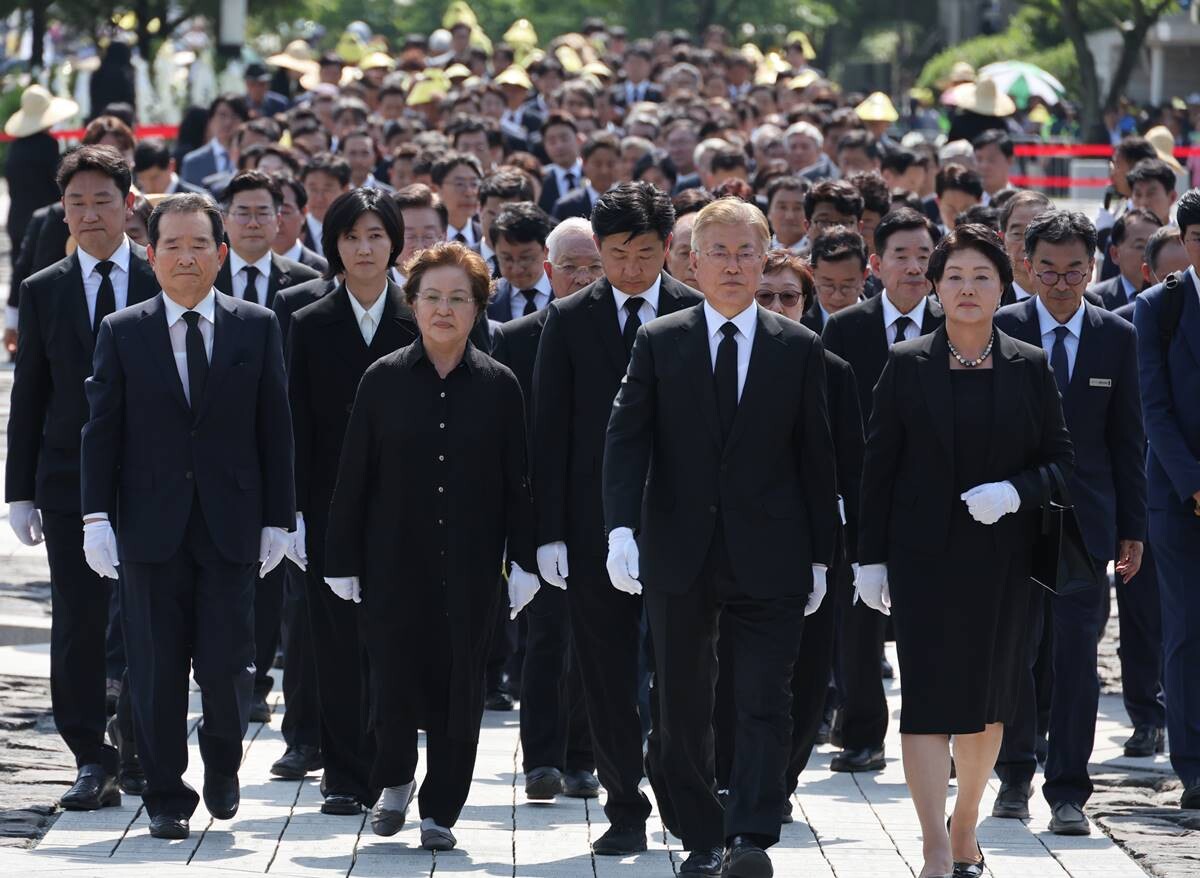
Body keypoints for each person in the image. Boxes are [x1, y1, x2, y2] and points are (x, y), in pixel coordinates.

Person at [603, 198, 837, 877]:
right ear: (691, 260)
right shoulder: (660, 339)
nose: (733, 266)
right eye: (719, 252)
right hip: (679, 549)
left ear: (764, 258)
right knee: (680, 705)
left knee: (766, 700)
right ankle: (700, 834)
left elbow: (815, 459)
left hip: (774, 552)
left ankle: (750, 836)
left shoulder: (798, 347)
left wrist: (824, 556)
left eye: (745, 252)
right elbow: (627, 440)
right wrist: (620, 528)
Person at [856, 223, 1074, 878]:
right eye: (954, 277)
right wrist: (867, 558)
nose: (968, 289)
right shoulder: (906, 363)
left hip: (1003, 560)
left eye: (982, 277)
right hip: (921, 560)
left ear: (1004, 286)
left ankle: (965, 824)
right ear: (935, 288)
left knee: (987, 701)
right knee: (926, 698)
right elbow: (878, 468)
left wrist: (1014, 491)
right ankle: (931, 845)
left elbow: (1061, 463)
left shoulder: (1029, 365)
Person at [79, 193, 295, 840]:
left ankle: (223, 764)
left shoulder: (255, 325)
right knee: (156, 668)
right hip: (149, 529)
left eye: (198, 244)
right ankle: (167, 792)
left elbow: (275, 429)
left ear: (221, 252)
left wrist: (279, 519)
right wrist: (95, 518)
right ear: (151, 255)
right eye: (171, 245)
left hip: (232, 524)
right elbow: (101, 433)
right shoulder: (123, 330)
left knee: (231, 664)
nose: (185, 256)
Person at [322, 242, 539, 850]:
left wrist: (522, 561)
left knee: (459, 688)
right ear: (412, 304)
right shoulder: (382, 379)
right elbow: (353, 475)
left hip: (471, 566)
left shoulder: (501, 386)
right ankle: (392, 778)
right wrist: (341, 560)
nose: (444, 310)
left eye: (459, 299)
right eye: (432, 298)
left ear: (478, 309)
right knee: (391, 680)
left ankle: (440, 809)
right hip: (391, 560)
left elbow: (517, 480)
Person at [532, 182, 703, 856]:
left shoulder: (696, 312)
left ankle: (683, 794)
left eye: (645, 252)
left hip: (680, 523)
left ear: (668, 249)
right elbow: (549, 435)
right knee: (603, 674)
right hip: (589, 523)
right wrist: (546, 532)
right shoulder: (570, 321)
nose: (631, 267)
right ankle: (624, 804)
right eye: (616, 254)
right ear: (598, 251)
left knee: (682, 671)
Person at [6, 145, 158, 808]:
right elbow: (30, 395)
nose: (90, 213)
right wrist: (19, 490)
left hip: (153, 479)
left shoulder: (165, 280)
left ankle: (149, 751)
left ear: (129, 205)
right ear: (61, 211)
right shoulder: (44, 290)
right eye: (77, 202)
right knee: (77, 619)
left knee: (152, 618)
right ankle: (89, 757)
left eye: (102, 200)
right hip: (68, 479)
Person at [993, 211, 1146, 835]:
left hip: (1088, 523)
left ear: (1094, 268)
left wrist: (1132, 527)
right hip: (1013, 520)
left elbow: (1127, 438)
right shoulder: (1002, 326)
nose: (1061, 283)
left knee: (1077, 658)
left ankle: (1068, 791)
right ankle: (1013, 776)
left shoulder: (1117, 335)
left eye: (1075, 271)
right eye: (1049, 270)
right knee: (1015, 654)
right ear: (1027, 266)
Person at [717, 247, 863, 825]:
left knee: (805, 672)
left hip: (814, 544)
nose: (778, 306)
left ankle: (778, 779)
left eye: (789, 297)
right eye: (765, 296)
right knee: (732, 669)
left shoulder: (831, 370)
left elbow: (849, 465)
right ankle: (732, 776)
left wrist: (848, 550)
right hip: (729, 542)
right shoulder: (719, 356)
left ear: (808, 305)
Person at [283, 188, 417, 809]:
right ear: (333, 245)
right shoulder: (307, 320)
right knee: (332, 642)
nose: (363, 249)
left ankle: (390, 767)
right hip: (328, 506)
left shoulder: (420, 315)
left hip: (406, 507)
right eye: (350, 237)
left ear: (394, 243)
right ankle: (341, 774)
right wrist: (293, 516)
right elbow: (293, 424)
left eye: (375, 236)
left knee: (393, 643)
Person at [820, 208, 945, 774]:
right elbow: (831, 416)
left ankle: (937, 737)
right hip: (862, 493)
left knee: (934, 624)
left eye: (924, 256)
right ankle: (862, 732)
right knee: (858, 623)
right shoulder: (846, 327)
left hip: (938, 497)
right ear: (876, 264)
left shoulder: (957, 323)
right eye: (902, 255)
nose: (914, 267)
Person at [491, 217, 603, 801]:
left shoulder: (629, 329)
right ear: (549, 272)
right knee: (546, 636)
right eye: (573, 269)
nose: (583, 278)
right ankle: (541, 758)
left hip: (604, 510)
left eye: (594, 267)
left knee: (596, 640)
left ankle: (584, 757)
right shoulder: (515, 336)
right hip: (538, 509)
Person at [1132, 188, 1200, 809]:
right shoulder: (1160, 306)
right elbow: (1153, 407)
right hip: (1180, 496)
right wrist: (1193, 482)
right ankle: (1195, 765)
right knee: (1186, 631)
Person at [486, 202, 555, 322]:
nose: (516, 269)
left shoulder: (568, 291)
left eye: (526, 258)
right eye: (507, 258)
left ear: (546, 250)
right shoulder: (487, 300)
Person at [1088, 208, 1162, 310]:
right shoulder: (1093, 302)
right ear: (1115, 254)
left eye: (1156, 245)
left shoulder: (1173, 296)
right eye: (1140, 246)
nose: (1149, 254)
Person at [804, 226, 869, 334]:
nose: (837, 297)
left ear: (864, 276)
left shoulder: (883, 322)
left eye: (847, 286)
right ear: (812, 274)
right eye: (828, 285)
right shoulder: (798, 323)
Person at [179, 95, 250, 186]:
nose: (228, 122)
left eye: (235, 116)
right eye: (222, 115)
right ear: (211, 120)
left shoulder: (251, 157)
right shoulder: (192, 162)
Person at [271, 174, 329, 274]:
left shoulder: (322, 271)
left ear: (303, 213)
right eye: (268, 212)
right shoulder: (247, 268)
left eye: (285, 211)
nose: (277, 221)